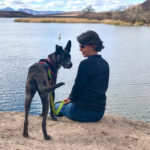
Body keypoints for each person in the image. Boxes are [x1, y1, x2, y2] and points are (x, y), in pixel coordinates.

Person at [55, 30, 109, 122]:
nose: (80, 49)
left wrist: (70, 99)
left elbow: (78, 87)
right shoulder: (105, 64)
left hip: (81, 112)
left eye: (82, 46)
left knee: (56, 106)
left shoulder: (85, 64)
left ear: (92, 45)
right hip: (99, 113)